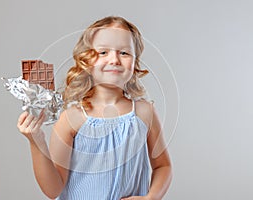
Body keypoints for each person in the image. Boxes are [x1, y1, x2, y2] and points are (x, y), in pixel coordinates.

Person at [17, 16, 172, 200]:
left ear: (135, 61)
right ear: (86, 61)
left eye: (124, 53)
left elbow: (163, 166)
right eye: (103, 52)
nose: (114, 59)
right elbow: (54, 189)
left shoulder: (145, 113)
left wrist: (151, 197)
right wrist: (37, 142)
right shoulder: (71, 118)